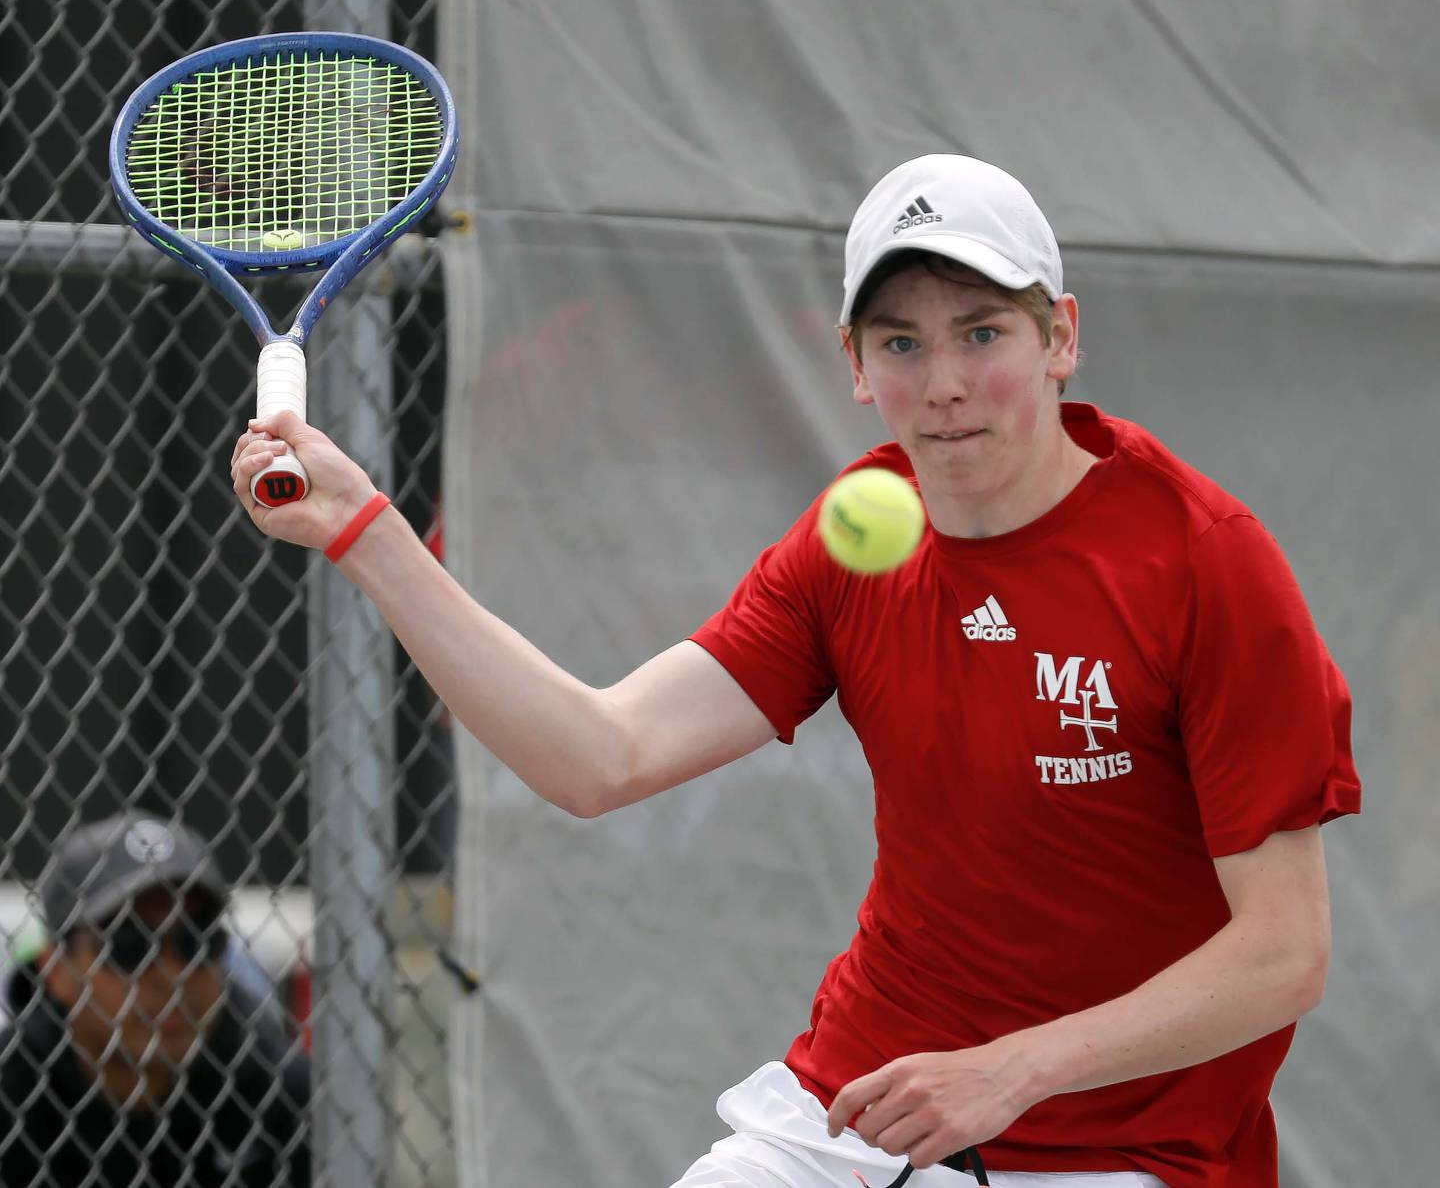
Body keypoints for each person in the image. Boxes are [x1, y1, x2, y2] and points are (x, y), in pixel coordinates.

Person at [229, 154, 1360, 1188]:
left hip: (1132, 1156)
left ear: (1060, 337)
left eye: (982, 333)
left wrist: (1011, 1069)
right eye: (901, 344)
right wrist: (363, 530)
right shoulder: (853, 541)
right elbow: (598, 756)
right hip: (852, 1117)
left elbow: (1284, 954)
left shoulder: (1205, 563)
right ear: (856, 365)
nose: (945, 381)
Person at [0, 812, 311, 1187]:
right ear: (56, 970)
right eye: (130, 946)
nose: (174, 976)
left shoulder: (277, 1093)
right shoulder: (12, 1095)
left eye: (197, 941)